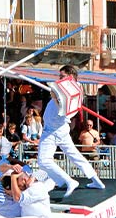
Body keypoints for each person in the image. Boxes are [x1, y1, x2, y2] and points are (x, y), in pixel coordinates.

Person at [37, 65, 104, 197]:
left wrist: (54, 94)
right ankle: (96, 181)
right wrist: (55, 93)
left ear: (70, 77)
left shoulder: (70, 91)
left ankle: (67, 181)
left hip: (53, 130)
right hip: (59, 129)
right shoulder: (74, 89)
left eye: (62, 76)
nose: (59, 79)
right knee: (75, 156)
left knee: (43, 160)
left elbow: (63, 108)